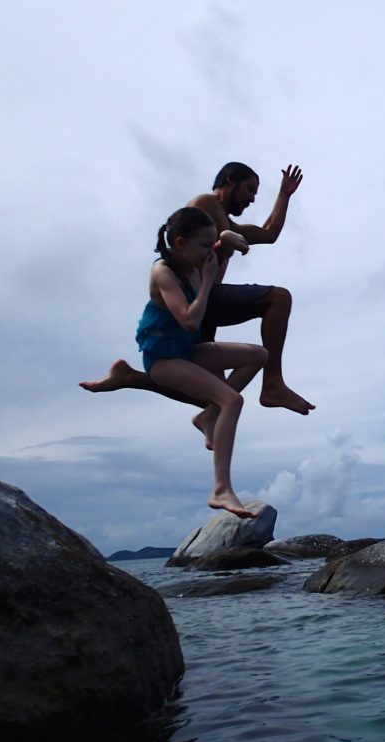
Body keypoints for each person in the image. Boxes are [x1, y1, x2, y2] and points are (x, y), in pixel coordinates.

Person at [81, 162, 315, 417]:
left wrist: (284, 195)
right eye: (249, 189)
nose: (252, 198)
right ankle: (272, 383)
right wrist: (224, 238)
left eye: (256, 193)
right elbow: (185, 236)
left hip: (205, 306)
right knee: (277, 298)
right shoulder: (205, 203)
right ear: (228, 181)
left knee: (214, 395)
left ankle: (131, 378)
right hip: (199, 296)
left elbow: (268, 234)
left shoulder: (228, 222)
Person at [137, 206, 267, 517]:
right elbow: (189, 321)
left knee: (258, 355)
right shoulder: (164, 272)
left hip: (186, 351)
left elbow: (222, 243)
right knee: (231, 401)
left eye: (211, 245)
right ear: (180, 243)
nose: (210, 252)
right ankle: (221, 488)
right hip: (162, 359)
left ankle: (207, 417)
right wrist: (208, 280)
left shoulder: (199, 258)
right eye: (204, 245)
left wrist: (227, 239)